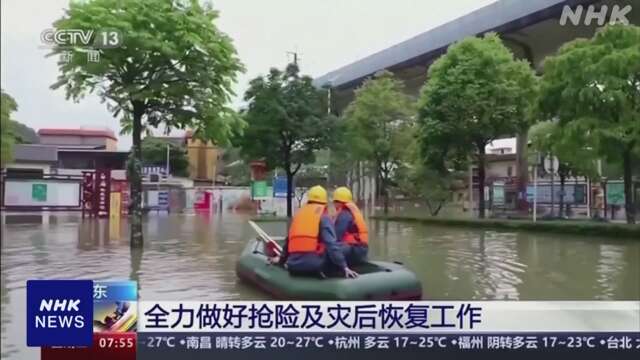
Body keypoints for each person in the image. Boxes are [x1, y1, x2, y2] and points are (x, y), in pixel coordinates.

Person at [272, 185, 358, 279]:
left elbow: (287, 244)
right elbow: (332, 244)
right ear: (324, 202)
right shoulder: (323, 217)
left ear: (308, 200)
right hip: (314, 266)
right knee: (336, 248)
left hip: (293, 265)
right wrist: (344, 267)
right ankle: (332, 276)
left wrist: (280, 260)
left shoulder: (298, 216)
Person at [333, 187, 369, 265]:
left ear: (339, 202)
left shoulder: (344, 214)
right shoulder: (352, 211)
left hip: (354, 250)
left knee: (331, 249)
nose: (334, 204)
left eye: (335, 202)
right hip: (361, 249)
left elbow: (336, 237)